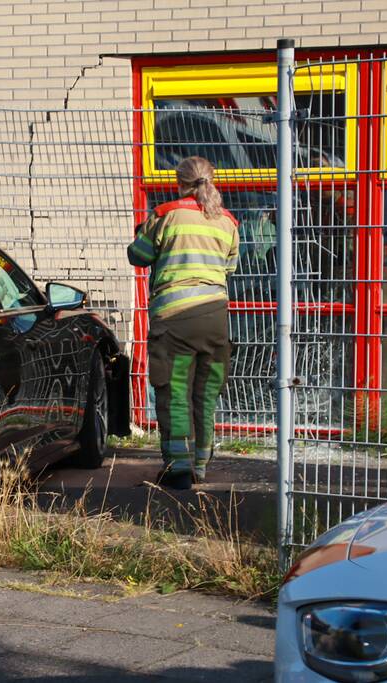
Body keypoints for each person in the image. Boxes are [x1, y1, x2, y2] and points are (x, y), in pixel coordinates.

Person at [127, 157, 239, 490]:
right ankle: (201, 466)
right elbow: (229, 268)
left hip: (174, 321)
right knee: (205, 395)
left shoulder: (165, 215)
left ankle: (178, 468)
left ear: (179, 182)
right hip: (216, 319)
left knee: (175, 391)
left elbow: (138, 255)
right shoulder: (227, 221)